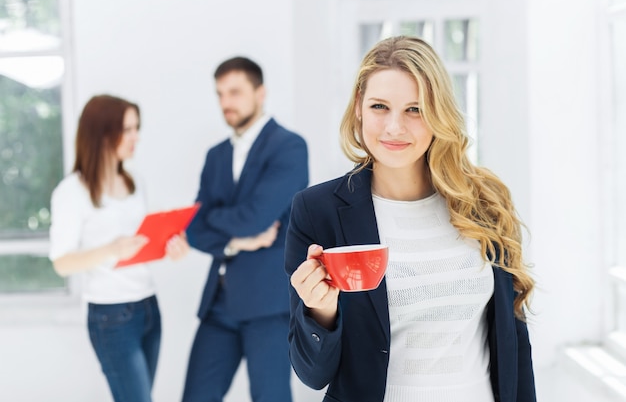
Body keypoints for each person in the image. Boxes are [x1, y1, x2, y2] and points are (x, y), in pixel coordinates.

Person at [285, 36, 536, 402]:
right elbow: (313, 375)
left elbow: (515, 346)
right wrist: (319, 310)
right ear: (358, 107)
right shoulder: (317, 211)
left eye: (415, 109)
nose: (394, 128)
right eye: (379, 107)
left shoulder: (485, 202)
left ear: (439, 113)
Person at [182, 56, 309, 402]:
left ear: (260, 92)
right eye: (220, 94)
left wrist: (213, 217)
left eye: (235, 92)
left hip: (267, 305)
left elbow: (256, 217)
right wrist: (236, 242)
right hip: (219, 302)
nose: (226, 103)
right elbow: (192, 229)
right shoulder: (216, 155)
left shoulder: (289, 147)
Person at [49, 94, 189, 402]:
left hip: (148, 307)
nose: (135, 137)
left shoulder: (135, 181)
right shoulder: (72, 192)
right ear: (101, 132)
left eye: (136, 127)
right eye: (127, 129)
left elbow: (142, 242)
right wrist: (111, 249)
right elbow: (62, 262)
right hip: (111, 316)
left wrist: (171, 246)